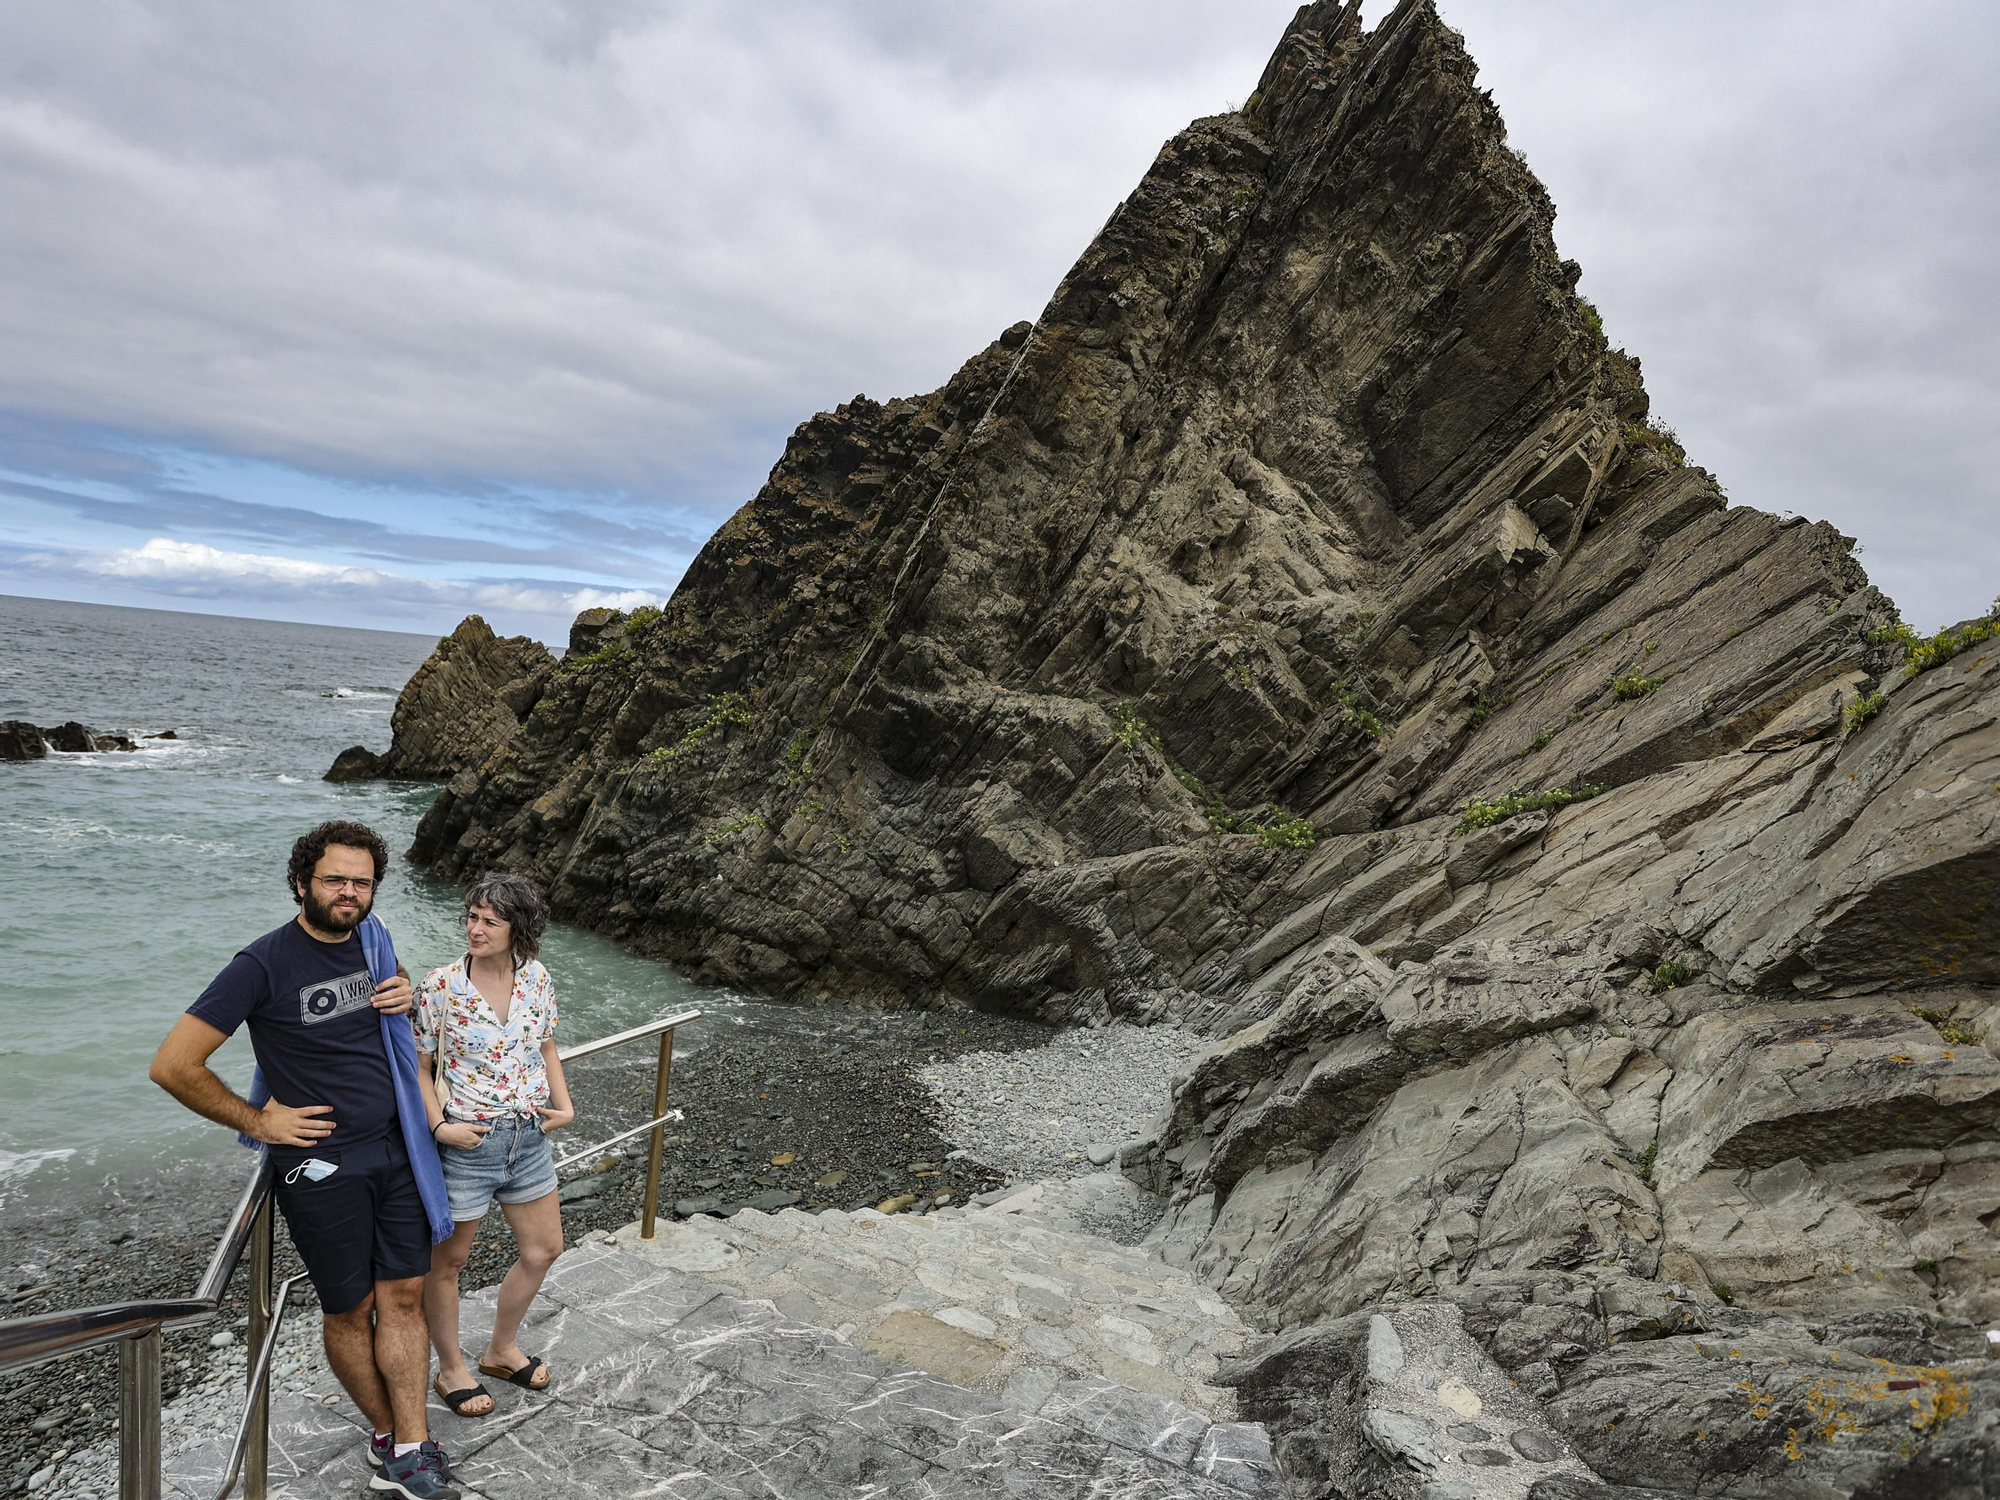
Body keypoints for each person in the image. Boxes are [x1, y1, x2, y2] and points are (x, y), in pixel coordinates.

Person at [149, 821, 459, 1500]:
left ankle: (413, 1444)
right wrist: (259, 1120)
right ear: (301, 883)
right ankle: (387, 1437)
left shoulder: (374, 942)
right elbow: (173, 1065)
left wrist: (405, 993)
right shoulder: (261, 965)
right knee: (349, 1311)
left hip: (400, 1147)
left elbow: (389, 989)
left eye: (361, 881)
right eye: (334, 879)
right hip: (319, 1166)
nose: (348, 892)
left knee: (404, 1297)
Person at [416, 873, 572, 1419]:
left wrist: (565, 1104)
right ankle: (451, 1367)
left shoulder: (538, 978)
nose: (475, 928)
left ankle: (501, 1349)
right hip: (467, 1141)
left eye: (490, 920)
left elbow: (546, 1043)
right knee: (448, 1262)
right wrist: (440, 1129)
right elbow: (420, 1066)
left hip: (528, 1136)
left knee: (544, 1249)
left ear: (518, 929)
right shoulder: (440, 986)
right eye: (472, 917)